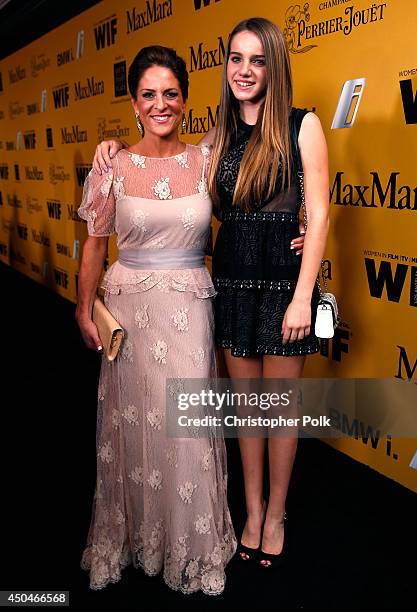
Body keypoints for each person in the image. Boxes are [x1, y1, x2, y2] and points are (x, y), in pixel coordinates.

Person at [92, 17, 329, 570]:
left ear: (274, 67)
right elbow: (170, 176)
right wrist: (113, 147)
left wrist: (302, 294)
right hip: (230, 282)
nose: (245, 71)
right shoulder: (215, 140)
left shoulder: (303, 125)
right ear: (225, 68)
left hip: (282, 285)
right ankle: (249, 511)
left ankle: (276, 515)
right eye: (236, 59)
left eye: (258, 60)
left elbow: (318, 213)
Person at [76, 45, 236, 596]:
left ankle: (189, 547)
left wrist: (307, 229)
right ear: (134, 104)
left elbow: (261, 194)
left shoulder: (207, 159)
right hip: (129, 310)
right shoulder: (112, 165)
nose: (160, 104)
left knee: (186, 428)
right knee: (134, 424)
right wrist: (82, 306)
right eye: (149, 94)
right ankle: (137, 538)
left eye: (170, 93)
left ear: (185, 100)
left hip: (190, 308)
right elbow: (95, 247)